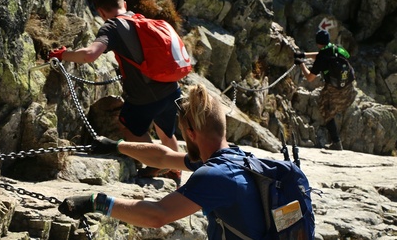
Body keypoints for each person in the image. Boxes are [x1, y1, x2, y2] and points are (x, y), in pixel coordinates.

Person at [58, 84, 266, 239]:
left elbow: (158, 216)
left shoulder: (215, 175)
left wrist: (97, 202)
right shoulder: (235, 159)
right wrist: (117, 146)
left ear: (191, 134)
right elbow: (164, 157)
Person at [48, 0, 181, 183]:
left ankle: (158, 163)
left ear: (101, 11)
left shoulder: (112, 27)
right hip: (171, 87)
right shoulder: (139, 19)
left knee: (129, 126)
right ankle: (176, 168)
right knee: (166, 130)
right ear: (124, 4)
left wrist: (62, 54)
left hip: (145, 96)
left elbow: (90, 55)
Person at [294, 29, 357, 150]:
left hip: (334, 88)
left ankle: (336, 142)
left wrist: (300, 63)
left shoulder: (321, 59)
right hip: (348, 85)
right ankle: (336, 140)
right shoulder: (336, 48)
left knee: (325, 109)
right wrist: (304, 55)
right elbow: (323, 54)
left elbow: (310, 78)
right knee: (332, 107)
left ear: (318, 43)